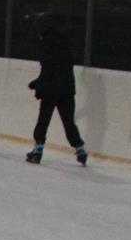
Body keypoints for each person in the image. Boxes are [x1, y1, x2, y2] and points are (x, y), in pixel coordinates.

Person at [25, 17, 88, 165]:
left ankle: (38, 150)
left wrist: (37, 85)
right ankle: (80, 148)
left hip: (51, 90)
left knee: (43, 120)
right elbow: (64, 66)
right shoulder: (65, 42)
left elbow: (48, 69)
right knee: (69, 121)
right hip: (67, 89)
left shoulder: (46, 44)